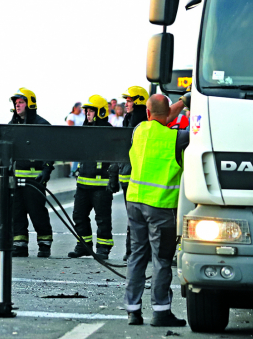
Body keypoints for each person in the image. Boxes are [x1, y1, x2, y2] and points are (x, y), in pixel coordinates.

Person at [124, 94, 188, 327]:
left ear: (148, 113)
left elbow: (162, 114)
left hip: (135, 203)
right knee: (161, 260)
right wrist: (186, 103)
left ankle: (133, 311)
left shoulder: (139, 130)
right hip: (161, 207)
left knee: (137, 256)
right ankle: (160, 312)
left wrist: (179, 103)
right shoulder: (178, 138)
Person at [67, 95, 118, 260]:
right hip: (83, 184)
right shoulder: (84, 130)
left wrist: (113, 178)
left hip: (102, 185)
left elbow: (115, 156)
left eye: (91, 111)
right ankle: (83, 245)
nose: (87, 114)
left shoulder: (108, 131)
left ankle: (103, 248)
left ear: (100, 112)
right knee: (79, 215)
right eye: (87, 111)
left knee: (102, 219)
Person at [9, 88, 54, 258]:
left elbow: (51, 150)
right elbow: (7, 148)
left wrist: (47, 169)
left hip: (35, 178)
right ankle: (20, 245)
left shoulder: (41, 125)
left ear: (30, 104)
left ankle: (44, 244)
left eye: (21, 102)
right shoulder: (12, 125)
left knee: (37, 211)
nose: (17, 105)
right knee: (17, 212)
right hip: (16, 178)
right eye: (16, 103)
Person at [118, 85, 149, 261]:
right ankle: (132, 250)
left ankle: (135, 250)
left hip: (138, 177)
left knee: (138, 216)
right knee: (133, 216)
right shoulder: (128, 120)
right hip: (126, 176)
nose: (126, 104)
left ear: (138, 102)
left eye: (129, 101)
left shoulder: (143, 125)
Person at [65, 102, 85, 177]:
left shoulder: (82, 116)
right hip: (75, 138)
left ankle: (77, 170)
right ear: (75, 108)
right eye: (79, 107)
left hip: (82, 137)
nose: (80, 109)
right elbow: (71, 128)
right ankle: (73, 171)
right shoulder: (71, 116)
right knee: (76, 156)